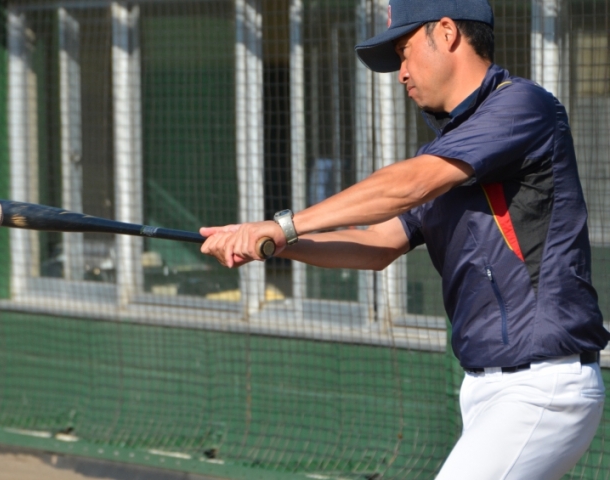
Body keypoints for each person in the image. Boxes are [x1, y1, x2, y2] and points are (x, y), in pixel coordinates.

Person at [200, 0, 609, 477]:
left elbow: (408, 184)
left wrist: (283, 224)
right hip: (486, 389)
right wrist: (279, 245)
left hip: (541, 387)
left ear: (448, 32)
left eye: (405, 51)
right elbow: (379, 243)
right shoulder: (447, 152)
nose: (401, 73)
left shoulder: (522, 106)